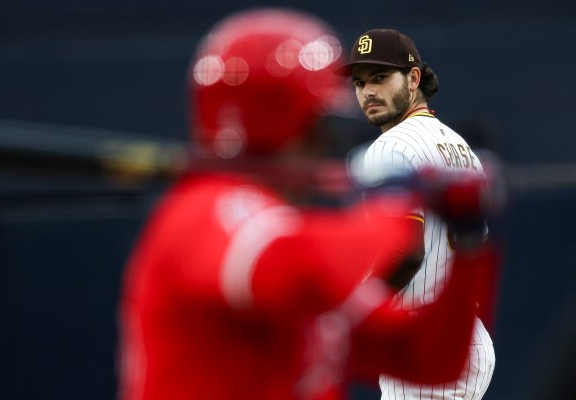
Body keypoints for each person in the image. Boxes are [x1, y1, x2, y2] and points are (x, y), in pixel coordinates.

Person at [116, 11, 496, 400]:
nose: (326, 144)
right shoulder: (202, 208)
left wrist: (468, 243)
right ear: (279, 120)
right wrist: (393, 209)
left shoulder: (289, 236)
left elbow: (430, 358)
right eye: (320, 125)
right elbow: (290, 262)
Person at [336, 29, 496, 400]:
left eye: (380, 78)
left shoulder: (389, 147)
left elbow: (404, 252)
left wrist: (350, 311)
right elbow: (476, 246)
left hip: (423, 334)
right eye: (360, 83)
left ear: (413, 78)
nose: (368, 92)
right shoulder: (459, 146)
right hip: (463, 335)